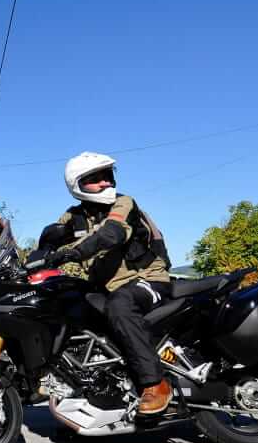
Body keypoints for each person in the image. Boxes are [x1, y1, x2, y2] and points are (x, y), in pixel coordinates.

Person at [43, 152, 174, 415]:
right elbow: (51, 239)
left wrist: (74, 252)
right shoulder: (73, 216)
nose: (105, 182)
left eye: (107, 176)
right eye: (95, 179)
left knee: (120, 305)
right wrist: (38, 256)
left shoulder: (123, 203)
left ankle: (155, 384)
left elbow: (111, 233)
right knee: (63, 301)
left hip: (148, 280)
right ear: (77, 185)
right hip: (108, 288)